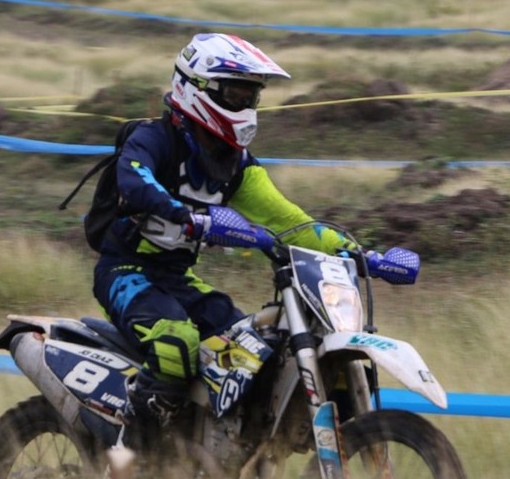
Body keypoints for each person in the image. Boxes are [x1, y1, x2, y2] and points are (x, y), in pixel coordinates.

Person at [92, 33, 360, 428]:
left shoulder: (236, 165)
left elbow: (289, 221)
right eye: (236, 94)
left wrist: (354, 252)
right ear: (195, 88)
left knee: (247, 350)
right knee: (175, 343)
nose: (246, 105)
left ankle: (207, 444)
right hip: (124, 272)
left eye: (252, 96)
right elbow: (134, 179)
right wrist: (184, 215)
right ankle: (130, 455)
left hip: (177, 279)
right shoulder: (153, 139)